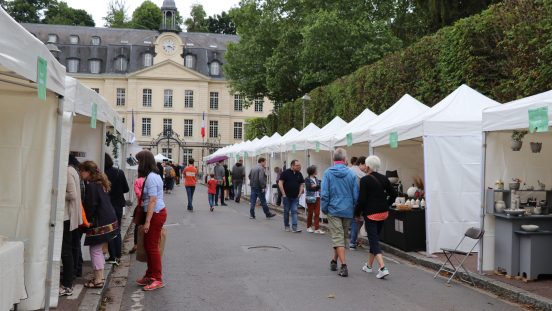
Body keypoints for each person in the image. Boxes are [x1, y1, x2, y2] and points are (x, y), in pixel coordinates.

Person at [356, 155, 397, 279]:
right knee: (374, 239)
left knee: (373, 240)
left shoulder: (364, 180)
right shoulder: (384, 178)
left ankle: (383, 267)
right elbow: (394, 194)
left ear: (367, 166)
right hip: (383, 213)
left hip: (371, 214)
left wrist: (356, 213)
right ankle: (368, 266)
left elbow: (361, 200)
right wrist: (387, 204)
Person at [79, 160, 118, 288]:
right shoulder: (101, 183)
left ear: (88, 172)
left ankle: (98, 280)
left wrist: (87, 221)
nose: (80, 173)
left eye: (82, 171)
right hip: (109, 220)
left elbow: (91, 205)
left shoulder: (91, 185)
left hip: (100, 221)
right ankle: (99, 277)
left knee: (95, 250)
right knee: (98, 250)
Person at [321, 148, 358, 277]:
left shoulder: (328, 173)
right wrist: (355, 210)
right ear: (345, 159)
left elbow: (325, 194)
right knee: (341, 237)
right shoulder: (352, 174)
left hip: (333, 208)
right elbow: (355, 195)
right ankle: (334, 261)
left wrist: (324, 208)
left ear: (334, 159)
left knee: (338, 237)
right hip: (347, 209)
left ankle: (343, 265)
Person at [135, 150, 167, 291]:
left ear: (143, 162)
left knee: (152, 246)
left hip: (155, 213)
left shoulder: (152, 177)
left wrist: (147, 221)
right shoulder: (152, 176)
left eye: (138, 161)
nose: (137, 164)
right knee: (149, 245)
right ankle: (150, 274)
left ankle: (157, 278)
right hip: (154, 212)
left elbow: (153, 200)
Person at [60, 159, 84, 296]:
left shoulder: (68, 171)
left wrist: (54, 193)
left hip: (66, 216)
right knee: (70, 248)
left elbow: (72, 194)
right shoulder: (72, 170)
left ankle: (67, 284)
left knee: (66, 250)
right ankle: (69, 279)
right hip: (70, 216)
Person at [104, 153, 130, 266]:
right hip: (118, 205)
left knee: (109, 230)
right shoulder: (120, 172)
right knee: (117, 230)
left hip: (107, 205)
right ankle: (118, 255)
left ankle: (112, 255)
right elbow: (126, 189)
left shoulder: (103, 174)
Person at [68, 155, 84, 278]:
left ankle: (74, 270)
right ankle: (77, 268)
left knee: (72, 244)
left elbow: (73, 195)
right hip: (79, 212)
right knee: (75, 243)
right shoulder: (77, 173)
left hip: (74, 212)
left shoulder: (70, 172)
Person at [278, 160, 305, 232]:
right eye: (297, 165)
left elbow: (302, 184)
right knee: (286, 211)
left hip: (295, 196)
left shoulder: (299, 174)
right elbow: (280, 183)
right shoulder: (285, 173)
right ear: (292, 166)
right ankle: (286, 225)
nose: (299, 167)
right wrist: (283, 194)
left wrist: (299, 193)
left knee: (294, 211)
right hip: (286, 196)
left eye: (299, 165)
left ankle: (295, 227)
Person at [349, 156, 367, 250]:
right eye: (365, 165)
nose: (366, 168)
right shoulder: (360, 175)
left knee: (355, 221)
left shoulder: (349, 170)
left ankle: (352, 240)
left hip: (347, 200)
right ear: (360, 164)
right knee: (357, 220)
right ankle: (352, 242)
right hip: (357, 200)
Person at [305, 165, 325, 234]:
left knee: (317, 213)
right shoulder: (307, 179)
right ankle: (308, 227)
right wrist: (317, 186)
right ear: (312, 171)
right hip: (310, 197)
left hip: (318, 197)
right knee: (310, 213)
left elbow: (319, 186)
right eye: (316, 170)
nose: (317, 171)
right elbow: (309, 188)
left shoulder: (316, 179)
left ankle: (317, 228)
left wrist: (315, 186)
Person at [129, 176, 145, 254]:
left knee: (137, 225)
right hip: (151, 206)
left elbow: (138, 194)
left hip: (140, 206)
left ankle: (136, 244)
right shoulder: (153, 178)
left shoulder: (138, 181)